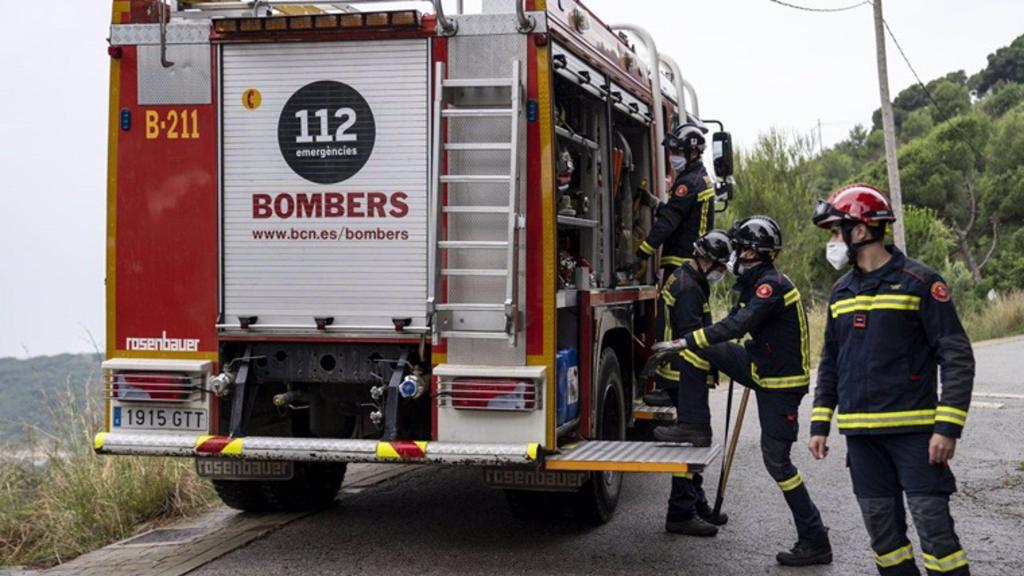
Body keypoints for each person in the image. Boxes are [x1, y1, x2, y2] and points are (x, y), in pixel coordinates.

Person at [645, 216, 832, 567]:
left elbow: (738, 324)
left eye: (740, 247)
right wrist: (690, 342)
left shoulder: (771, 285)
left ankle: (814, 537)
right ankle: (694, 424)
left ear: (753, 252)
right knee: (698, 346)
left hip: (780, 385)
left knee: (778, 463)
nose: (734, 254)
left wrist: (685, 339)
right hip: (761, 369)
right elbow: (731, 320)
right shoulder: (755, 280)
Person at [809, 184, 974, 576]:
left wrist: (947, 427)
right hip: (862, 442)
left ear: (861, 231)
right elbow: (830, 361)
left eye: (836, 231)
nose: (833, 241)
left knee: (937, 538)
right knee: (885, 543)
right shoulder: (841, 292)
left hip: (916, 438)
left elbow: (956, 357)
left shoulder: (920, 282)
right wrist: (820, 423)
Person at [649, 230, 733, 537]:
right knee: (692, 439)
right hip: (682, 372)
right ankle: (681, 512)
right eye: (721, 266)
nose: (721, 273)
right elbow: (692, 337)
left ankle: (696, 503)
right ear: (708, 260)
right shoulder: (688, 288)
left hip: (681, 371)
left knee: (696, 438)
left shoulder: (688, 277)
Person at [635, 117, 716, 276]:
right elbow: (683, 215)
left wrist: (643, 253)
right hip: (690, 262)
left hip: (683, 263)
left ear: (693, 152)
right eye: (671, 152)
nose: (672, 157)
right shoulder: (697, 178)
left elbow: (669, 221)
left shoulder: (688, 183)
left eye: (677, 152)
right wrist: (655, 204)